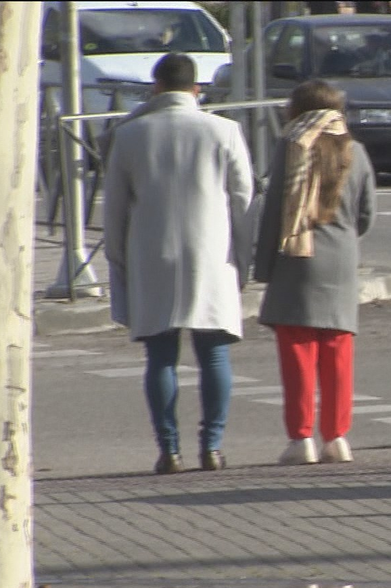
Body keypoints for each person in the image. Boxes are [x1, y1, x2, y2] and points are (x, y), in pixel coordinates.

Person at [103, 53, 255, 475]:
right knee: (215, 354)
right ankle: (212, 447)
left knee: (160, 356)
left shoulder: (130, 134)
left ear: (155, 88)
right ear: (197, 89)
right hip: (212, 254)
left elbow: (114, 210)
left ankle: (169, 450)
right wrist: (242, 258)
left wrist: (119, 262)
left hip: (152, 253)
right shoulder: (224, 130)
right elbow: (243, 201)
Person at [253, 80, 376, 466]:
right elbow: (366, 214)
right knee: (338, 351)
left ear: (296, 111)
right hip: (341, 261)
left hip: (296, 259)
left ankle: (301, 438)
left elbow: (274, 213)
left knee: (298, 353)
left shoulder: (291, 147)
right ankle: (337, 438)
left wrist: (263, 267)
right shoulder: (356, 151)